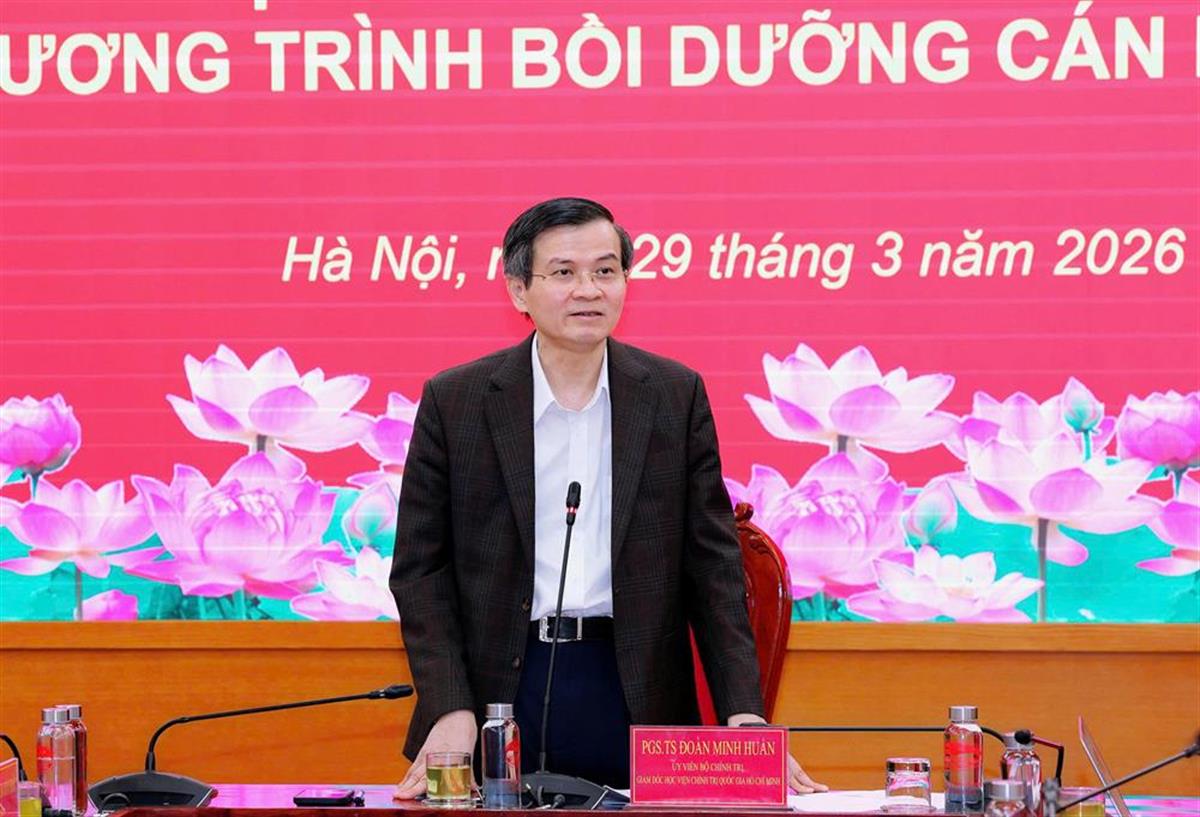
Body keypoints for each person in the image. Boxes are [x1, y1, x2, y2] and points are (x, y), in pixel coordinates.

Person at [391, 197, 824, 796]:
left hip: (635, 690)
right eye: (563, 272)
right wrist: (450, 705)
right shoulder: (456, 401)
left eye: (605, 270)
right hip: (495, 695)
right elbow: (421, 570)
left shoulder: (674, 396)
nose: (588, 290)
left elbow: (713, 568)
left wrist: (743, 714)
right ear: (518, 290)